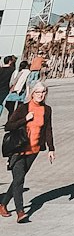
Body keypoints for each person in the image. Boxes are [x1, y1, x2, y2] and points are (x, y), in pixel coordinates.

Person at [0, 84, 55, 222]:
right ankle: (20, 212)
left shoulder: (47, 110)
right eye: (38, 92)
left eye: (43, 92)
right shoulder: (23, 108)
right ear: (32, 93)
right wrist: (25, 119)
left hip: (34, 150)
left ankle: (2, 204)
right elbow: (8, 126)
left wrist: (51, 148)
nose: (40, 95)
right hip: (18, 150)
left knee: (18, 179)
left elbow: (48, 129)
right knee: (20, 179)